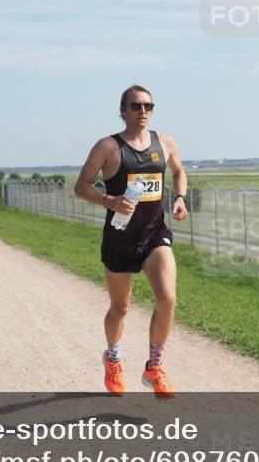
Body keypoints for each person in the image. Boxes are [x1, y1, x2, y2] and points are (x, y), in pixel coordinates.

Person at [74, 85, 188, 399]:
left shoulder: (165, 142)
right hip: (120, 237)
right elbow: (81, 187)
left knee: (168, 297)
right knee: (120, 307)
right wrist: (108, 201)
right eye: (136, 106)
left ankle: (154, 366)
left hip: (154, 234)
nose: (143, 111)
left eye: (148, 106)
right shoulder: (108, 147)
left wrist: (180, 197)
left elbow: (179, 171)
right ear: (123, 110)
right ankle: (113, 359)